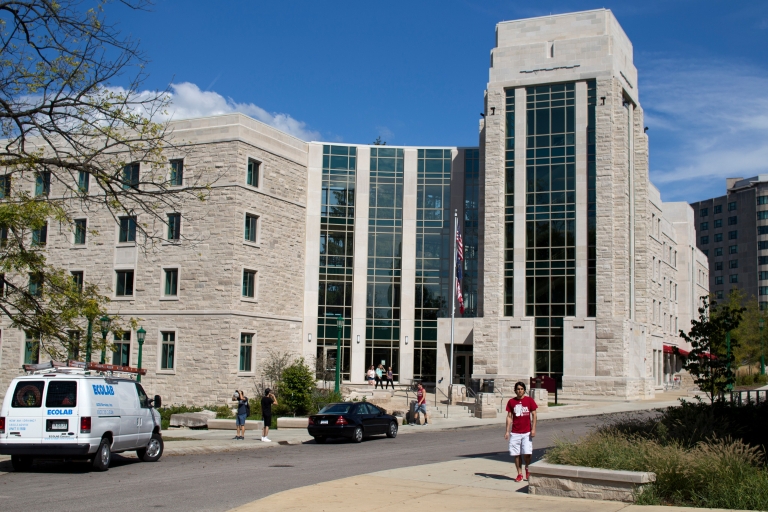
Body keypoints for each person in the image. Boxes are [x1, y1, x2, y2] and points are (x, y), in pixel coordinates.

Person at [504, 381, 538, 482]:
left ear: (524, 390)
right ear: (515, 390)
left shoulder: (529, 401)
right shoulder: (511, 402)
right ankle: (519, 473)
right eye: (518, 389)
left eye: (522, 389)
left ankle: (527, 467)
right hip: (515, 432)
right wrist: (507, 431)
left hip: (527, 432)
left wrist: (533, 429)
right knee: (516, 454)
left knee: (527, 453)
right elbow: (509, 417)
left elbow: (534, 415)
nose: (520, 391)